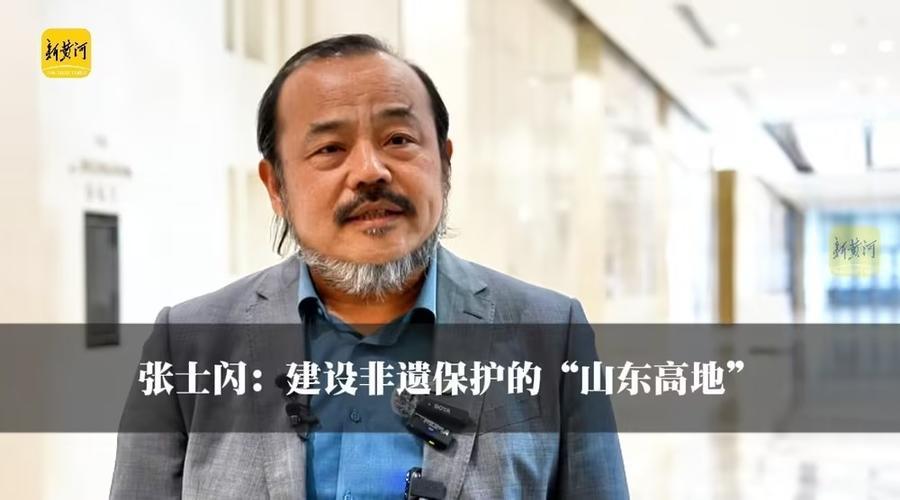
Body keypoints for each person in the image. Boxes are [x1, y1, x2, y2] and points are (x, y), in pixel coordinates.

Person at [111, 34, 628, 499]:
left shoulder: (550, 335)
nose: (370, 171)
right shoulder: (188, 345)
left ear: (445, 164)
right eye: (330, 148)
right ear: (276, 187)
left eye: (398, 139)